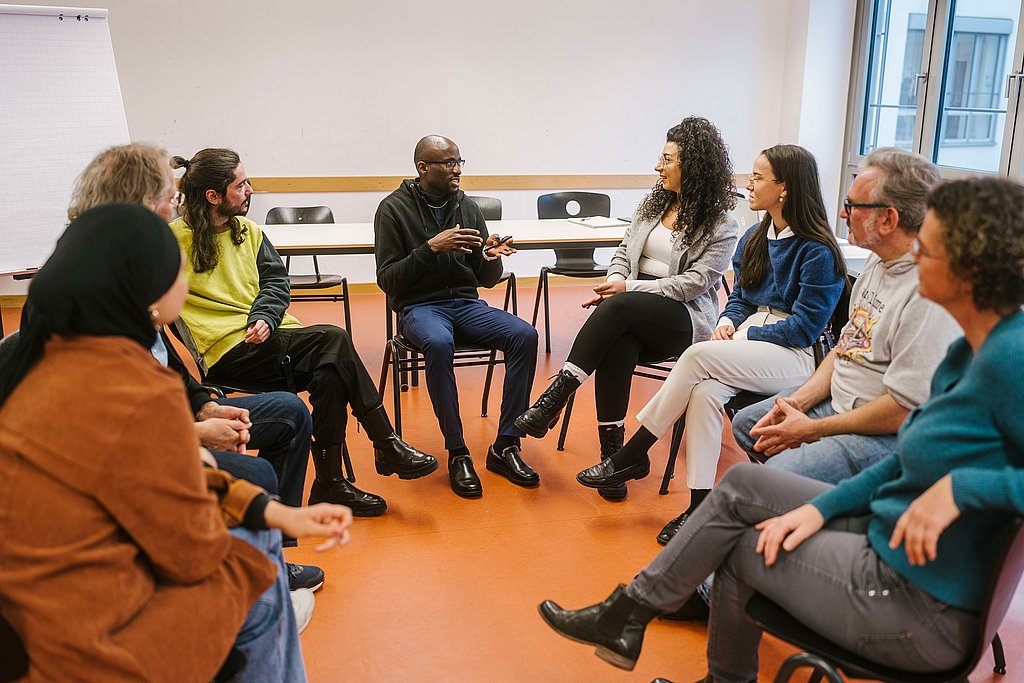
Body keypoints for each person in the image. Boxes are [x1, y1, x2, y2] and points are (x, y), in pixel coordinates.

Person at [538, 175, 1024, 682]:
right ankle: (631, 615)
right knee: (746, 490)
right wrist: (821, 509)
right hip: (890, 546)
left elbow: (926, 458)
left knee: (740, 548)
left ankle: (633, 619)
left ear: (973, 267)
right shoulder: (969, 350)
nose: (915, 254)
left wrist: (964, 488)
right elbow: (907, 465)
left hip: (920, 607)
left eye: (931, 245)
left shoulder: (1010, 356)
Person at [0, 203, 352, 682]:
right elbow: (190, 549)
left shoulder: (35, 356)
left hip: (25, 614)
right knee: (259, 582)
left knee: (255, 533)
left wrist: (277, 512)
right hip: (86, 640)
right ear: (146, 293)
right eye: (179, 274)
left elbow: (146, 472)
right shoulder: (137, 388)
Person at [67, 144, 316, 572]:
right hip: (135, 450)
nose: (175, 209)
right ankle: (260, 568)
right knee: (258, 477)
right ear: (139, 206)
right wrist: (194, 436)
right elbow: (104, 421)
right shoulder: (93, 290)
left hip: (174, 417)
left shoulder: (127, 267)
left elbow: (167, 365)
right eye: (170, 199)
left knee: (292, 411)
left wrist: (204, 405)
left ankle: (275, 557)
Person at [571, 145, 846, 526]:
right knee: (702, 394)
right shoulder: (755, 236)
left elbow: (805, 328)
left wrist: (742, 339)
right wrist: (726, 323)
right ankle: (699, 508)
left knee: (697, 356)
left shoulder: (818, 251)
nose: (747, 184)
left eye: (757, 177)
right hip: (748, 342)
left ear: (785, 187)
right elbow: (740, 299)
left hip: (794, 355)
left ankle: (633, 452)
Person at [170, 147, 439, 517]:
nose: (250, 190)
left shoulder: (248, 232)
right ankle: (385, 442)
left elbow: (277, 283)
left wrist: (264, 315)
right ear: (213, 196)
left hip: (273, 340)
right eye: (241, 184)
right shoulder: (171, 242)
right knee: (333, 339)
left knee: (329, 370)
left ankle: (331, 484)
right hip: (227, 354)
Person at [515, 117, 739, 501]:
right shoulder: (653, 205)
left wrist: (625, 288)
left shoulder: (722, 224)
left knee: (621, 311)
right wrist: (616, 282)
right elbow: (623, 252)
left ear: (694, 166)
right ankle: (614, 461)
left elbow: (693, 285)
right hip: (636, 311)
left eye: (667, 159)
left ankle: (556, 397)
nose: (658, 166)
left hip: (683, 320)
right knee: (618, 345)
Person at [727, 148, 962, 499]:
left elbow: (902, 410)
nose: (842, 213)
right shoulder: (878, 264)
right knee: (749, 425)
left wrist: (813, 430)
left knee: (766, 479)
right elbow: (844, 348)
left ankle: (804, 503)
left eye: (853, 207)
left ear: (888, 220)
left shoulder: (927, 292)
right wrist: (799, 403)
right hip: (840, 399)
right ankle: (806, 501)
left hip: (882, 432)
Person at [374, 135, 539, 498]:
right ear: (423, 168)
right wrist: (431, 249)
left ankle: (506, 445)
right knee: (437, 342)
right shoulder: (392, 209)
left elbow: (484, 280)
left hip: (466, 304)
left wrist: (491, 258)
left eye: (459, 162)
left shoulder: (468, 208)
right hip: (420, 306)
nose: (457, 170)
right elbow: (387, 280)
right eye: (448, 163)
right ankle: (457, 450)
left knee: (525, 335)